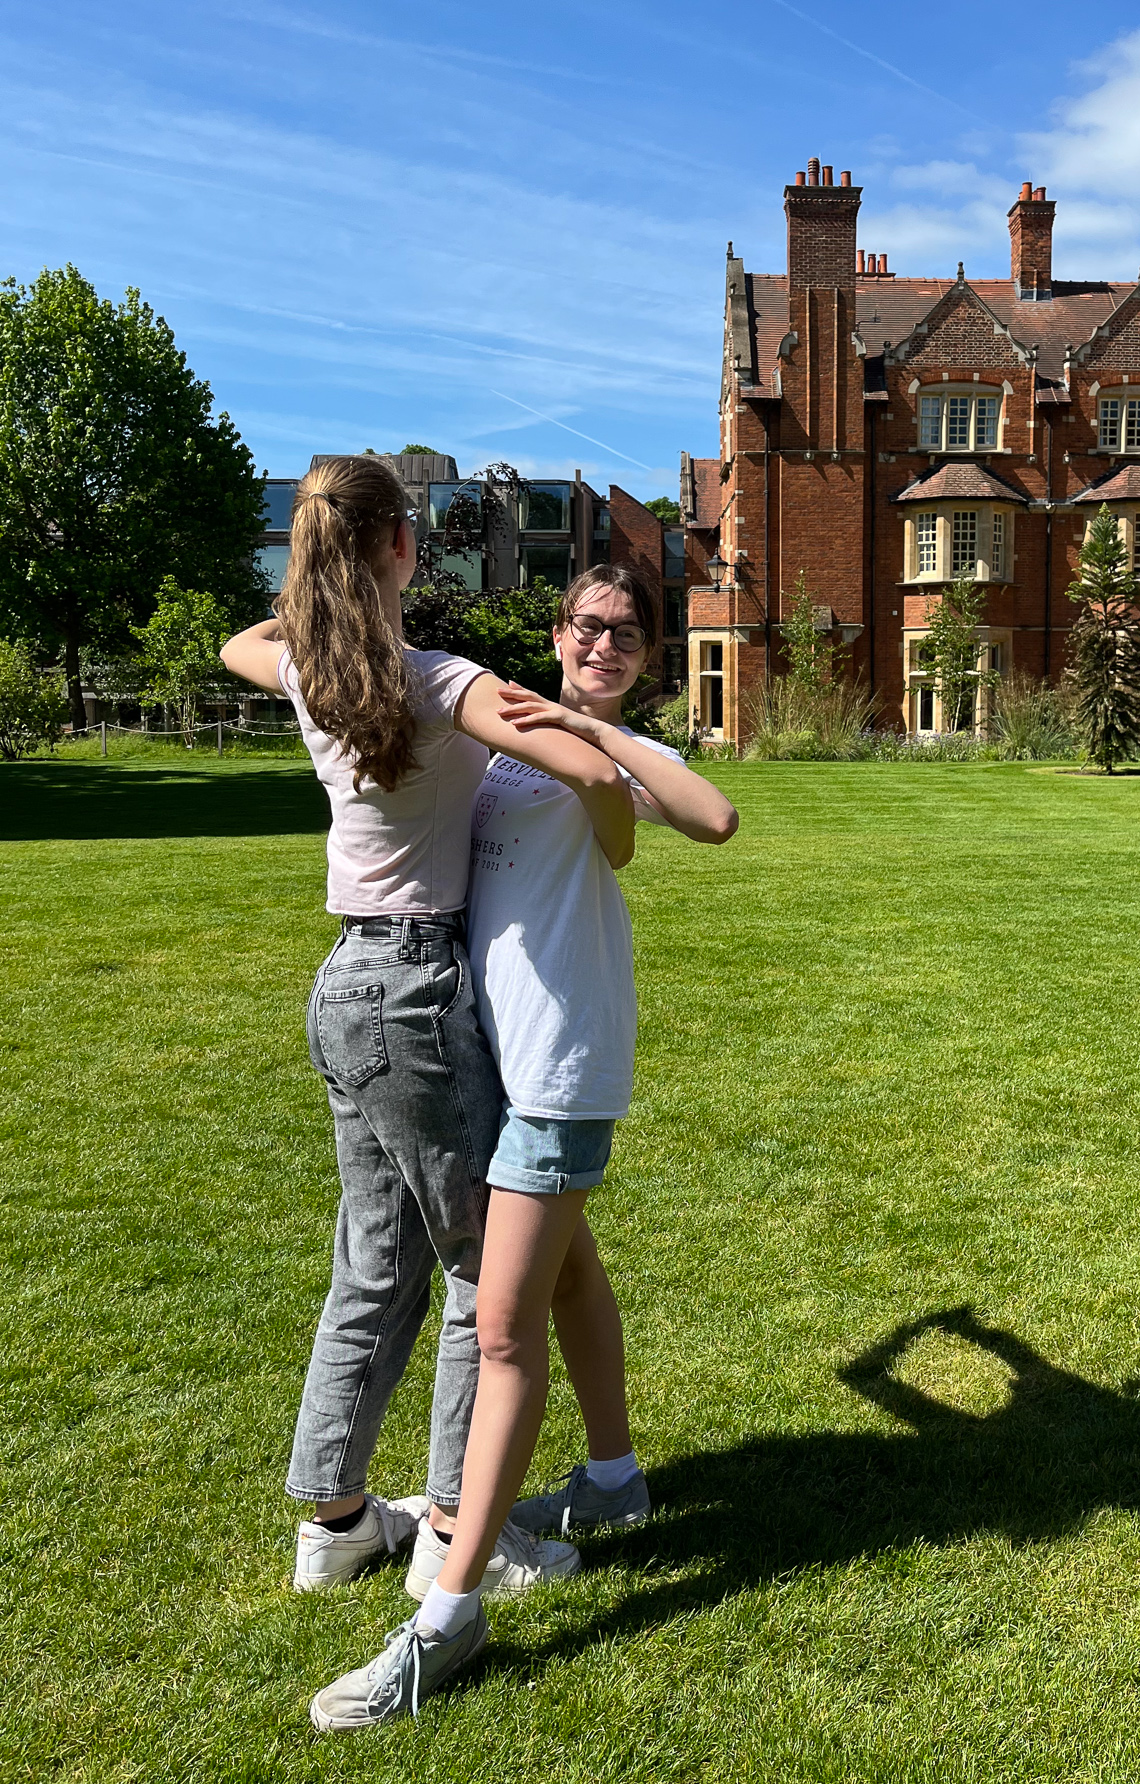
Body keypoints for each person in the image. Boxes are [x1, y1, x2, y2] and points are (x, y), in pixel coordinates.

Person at [309, 563, 738, 1732]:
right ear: (558, 628)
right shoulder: (492, 739)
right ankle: (612, 1482)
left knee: (498, 1327)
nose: (605, 640)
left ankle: (448, 1611)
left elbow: (705, 818)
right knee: (571, 1275)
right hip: (478, 1061)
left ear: (647, 656)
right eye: (589, 624)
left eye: (629, 634)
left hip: (560, 1066)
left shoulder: (599, 758)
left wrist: (596, 733)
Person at [220, 458, 635, 1602]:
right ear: (403, 545)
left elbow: (235, 645)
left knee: (372, 1261)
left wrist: (319, 580)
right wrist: (577, 728)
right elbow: (582, 755)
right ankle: (465, 1531)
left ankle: (337, 1519)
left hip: (344, 983)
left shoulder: (305, 663)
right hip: (413, 987)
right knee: (475, 1271)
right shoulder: (441, 677)